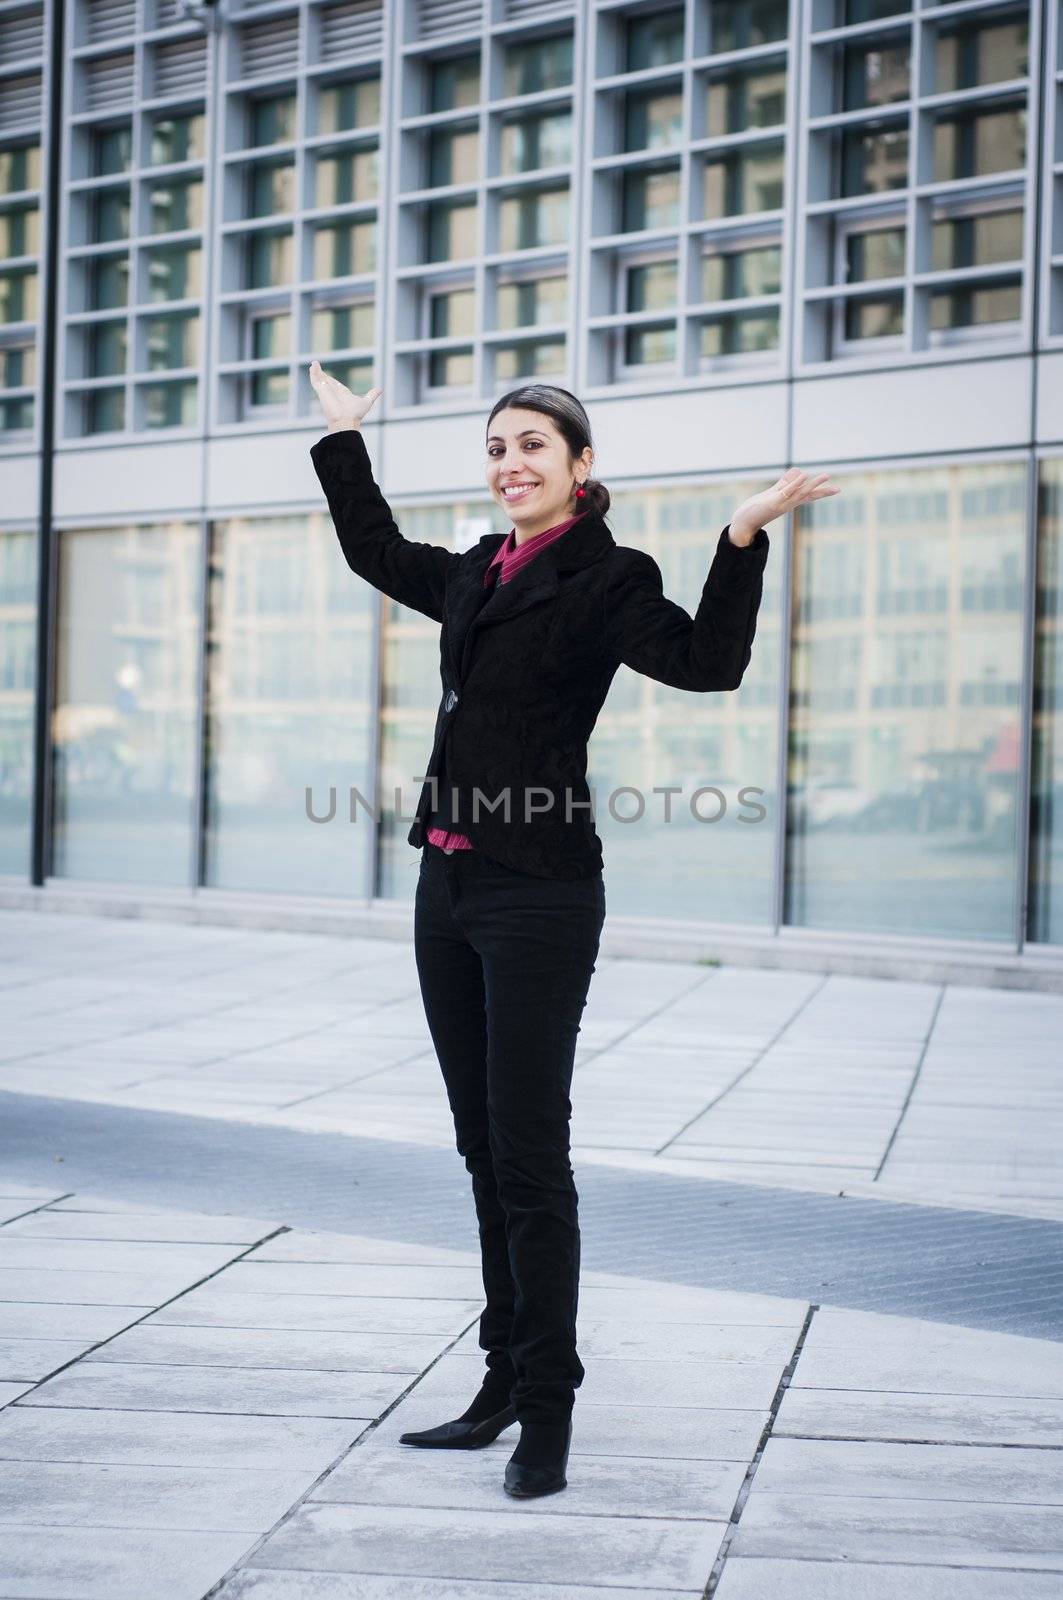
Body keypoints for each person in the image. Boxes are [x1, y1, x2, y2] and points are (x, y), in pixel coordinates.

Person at [308, 359, 839, 1498]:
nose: (510, 464)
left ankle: (547, 1408)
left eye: (532, 447)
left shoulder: (606, 578)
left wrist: (739, 536)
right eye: (497, 447)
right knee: (479, 1149)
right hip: (444, 890)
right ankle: (501, 1380)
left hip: (539, 891)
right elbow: (373, 551)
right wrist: (346, 438)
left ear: (581, 465)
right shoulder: (473, 574)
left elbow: (710, 663)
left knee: (529, 1154)